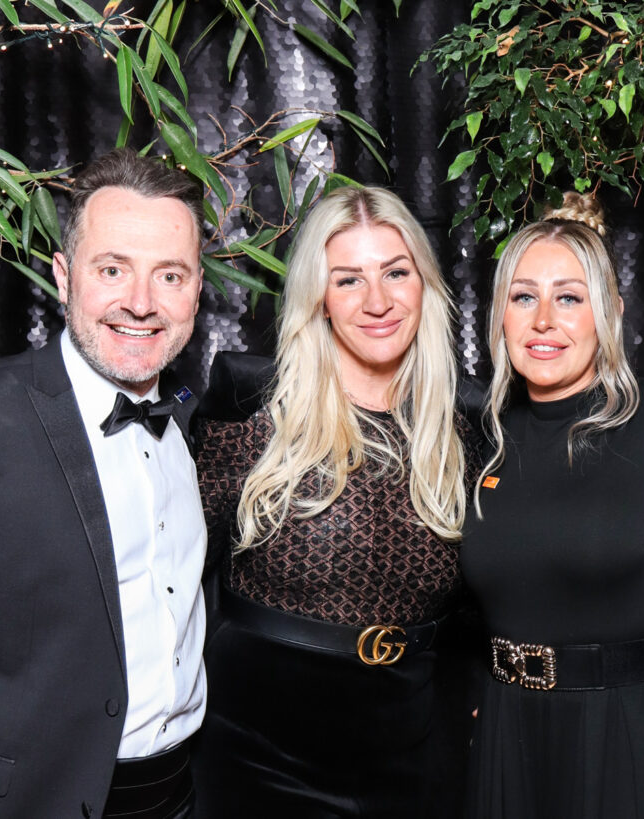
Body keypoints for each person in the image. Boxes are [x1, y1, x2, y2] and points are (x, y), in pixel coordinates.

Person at [0, 148, 208, 818]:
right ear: (63, 276)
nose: (140, 302)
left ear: (198, 290)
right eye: (112, 269)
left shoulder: (198, 424)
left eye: (169, 275)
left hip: (177, 794)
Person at [193, 185, 473, 817]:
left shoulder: (467, 432)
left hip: (413, 750)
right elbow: (164, 577)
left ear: (424, 284)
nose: (377, 301)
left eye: (396, 273)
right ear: (318, 298)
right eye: (348, 280)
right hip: (257, 750)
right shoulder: (250, 415)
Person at [461, 193, 644, 818]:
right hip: (502, 730)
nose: (543, 319)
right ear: (499, 315)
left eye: (569, 298)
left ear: (609, 313)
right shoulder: (478, 434)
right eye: (524, 297)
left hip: (626, 734)